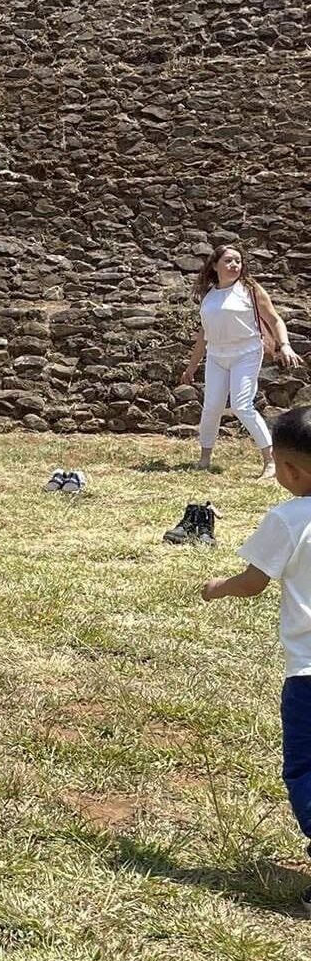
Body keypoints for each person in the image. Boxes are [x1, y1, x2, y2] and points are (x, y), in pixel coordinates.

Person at [202, 407, 311, 905]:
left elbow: (253, 582)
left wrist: (218, 587)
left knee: (305, 769)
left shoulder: (288, 519)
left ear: (289, 470)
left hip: (308, 675)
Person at [181, 244, 303, 478]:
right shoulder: (209, 295)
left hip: (246, 353)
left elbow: (275, 320)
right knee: (212, 407)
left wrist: (285, 345)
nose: (234, 265)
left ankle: (270, 461)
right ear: (214, 265)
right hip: (216, 356)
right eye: (228, 261)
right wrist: (191, 367)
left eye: (238, 261)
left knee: (241, 405)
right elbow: (204, 335)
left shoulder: (250, 289)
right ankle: (204, 459)